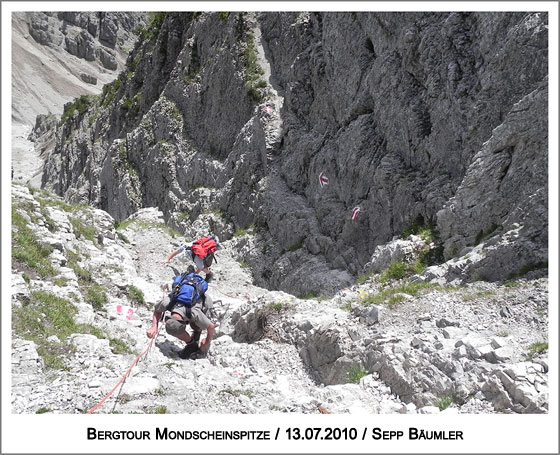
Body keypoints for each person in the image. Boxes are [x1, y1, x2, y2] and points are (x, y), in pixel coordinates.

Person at [147, 271, 215, 359]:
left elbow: (211, 327)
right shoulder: (168, 303)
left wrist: (207, 342)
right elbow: (157, 310)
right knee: (185, 327)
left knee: (197, 326)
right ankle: (192, 344)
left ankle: (196, 337)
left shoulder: (194, 312)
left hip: (203, 303)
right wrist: (154, 326)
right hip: (187, 308)